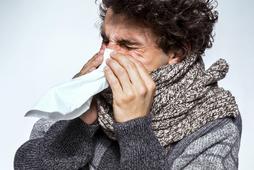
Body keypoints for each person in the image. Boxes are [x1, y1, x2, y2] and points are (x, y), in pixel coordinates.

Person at [14, 0, 242, 169]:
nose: (109, 55)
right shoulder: (83, 96)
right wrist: (79, 120)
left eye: (128, 45)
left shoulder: (213, 121)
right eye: (106, 40)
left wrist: (135, 128)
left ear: (176, 53)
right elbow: (26, 164)